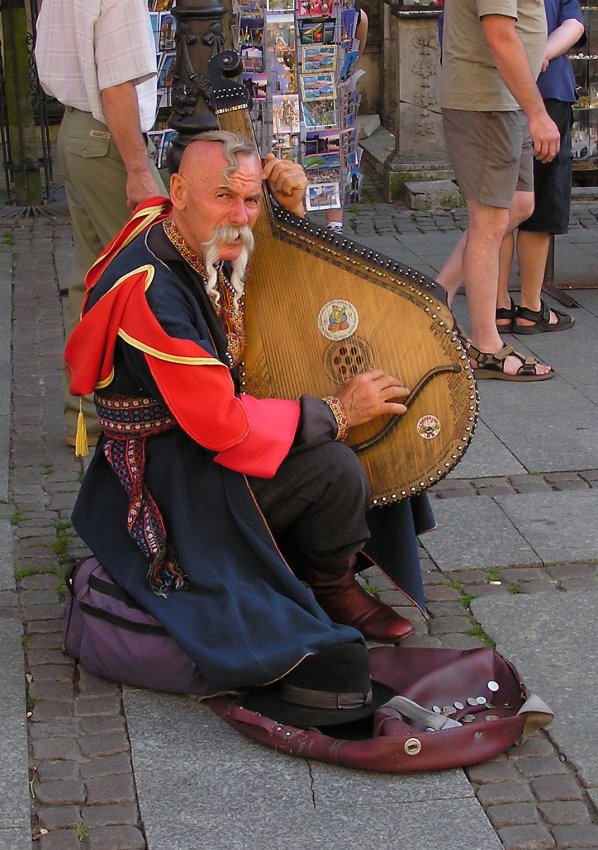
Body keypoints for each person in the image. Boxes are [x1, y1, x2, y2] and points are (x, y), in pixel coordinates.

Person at [64, 131, 434, 700]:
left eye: (252, 201)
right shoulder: (151, 294)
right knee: (335, 462)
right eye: (224, 198)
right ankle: (328, 585)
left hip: (197, 436)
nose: (240, 217)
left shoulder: (173, 222)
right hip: (169, 476)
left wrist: (287, 210)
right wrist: (335, 410)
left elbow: (270, 272)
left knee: (356, 414)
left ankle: (314, 567)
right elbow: (222, 424)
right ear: (181, 191)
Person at [35, 0, 166, 447]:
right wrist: (138, 168)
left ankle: (84, 415)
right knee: (153, 271)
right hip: (106, 134)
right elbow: (116, 82)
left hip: (77, 132)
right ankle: (154, 402)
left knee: (91, 275)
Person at [435, 0, 559, 381]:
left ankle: (435, 293)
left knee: (520, 204)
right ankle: (485, 347)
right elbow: (500, 33)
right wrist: (539, 115)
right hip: (487, 102)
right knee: (488, 221)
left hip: (506, 99)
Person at [496, 0, 584, 334]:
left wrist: (535, 55)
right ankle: (530, 308)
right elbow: (573, 22)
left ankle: (500, 306)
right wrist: (541, 54)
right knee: (542, 197)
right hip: (546, 92)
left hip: (497, 91)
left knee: (499, 200)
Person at [324, 5, 368, 235]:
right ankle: (334, 225)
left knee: (336, 151)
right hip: (332, 87)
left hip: (336, 91)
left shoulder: (353, 13)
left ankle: (335, 225)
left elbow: (360, 24)